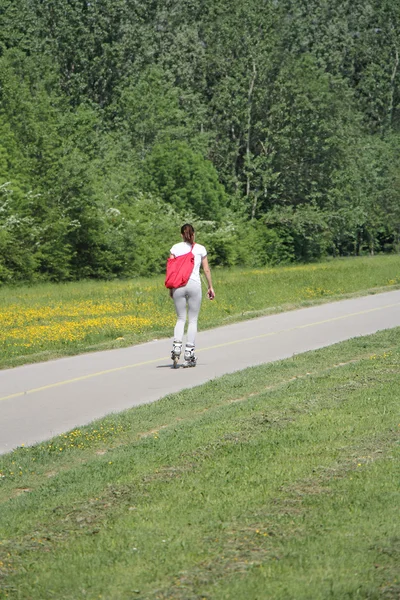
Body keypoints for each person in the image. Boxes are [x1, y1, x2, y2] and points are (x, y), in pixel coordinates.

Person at [169, 223, 215, 367]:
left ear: (181, 235)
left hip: (178, 285)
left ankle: (176, 348)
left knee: (181, 318)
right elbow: (206, 270)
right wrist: (210, 287)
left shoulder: (175, 248)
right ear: (194, 234)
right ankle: (189, 354)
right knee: (193, 320)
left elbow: (171, 269)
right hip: (194, 285)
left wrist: (171, 288)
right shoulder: (200, 248)